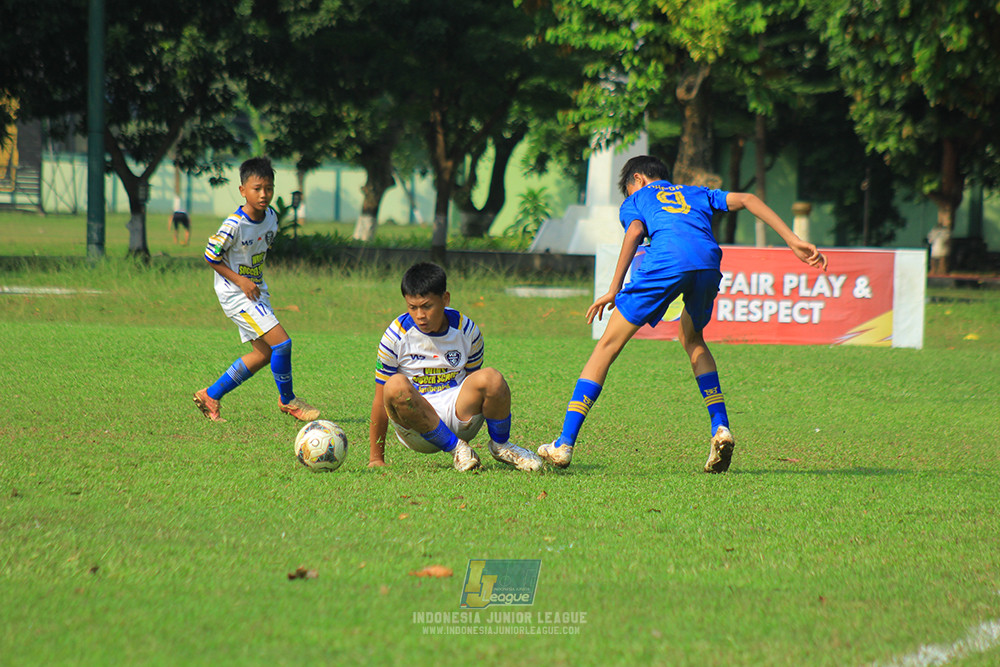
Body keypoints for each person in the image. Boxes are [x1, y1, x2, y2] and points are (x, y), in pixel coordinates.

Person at [539, 155, 828, 473]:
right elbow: (746, 199)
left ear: (638, 180)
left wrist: (613, 288)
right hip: (707, 259)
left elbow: (635, 232)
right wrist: (793, 240)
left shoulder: (637, 199)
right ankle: (721, 428)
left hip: (666, 260)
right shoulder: (696, 192)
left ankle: (564, 443)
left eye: (629, 190)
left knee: (606, 347)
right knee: (692, 337)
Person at [368, 262, 542, 472]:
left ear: (445, 299)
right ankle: (456, 448)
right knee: (394, 385)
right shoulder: (394, 336)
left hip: (459, 418)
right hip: (415, 430)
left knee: (492, 378)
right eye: (412, 307)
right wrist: (376, 458)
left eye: (427, 306)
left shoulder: (467, 330)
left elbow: (475, 384)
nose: (420, 315)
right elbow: (380, 400)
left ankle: (502, 446)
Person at [193, 156, 319, 423]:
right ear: (242, 191)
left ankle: (211, 395)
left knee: (264, 355)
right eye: (257, 188)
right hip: (237, 295)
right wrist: (240, 281)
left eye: (269, 188)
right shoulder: (234, 224)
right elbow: (209, 255)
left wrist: (252, 282)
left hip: (256, 292)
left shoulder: (271, 217)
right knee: (283, 343)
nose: (264, 194)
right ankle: (288, 401)